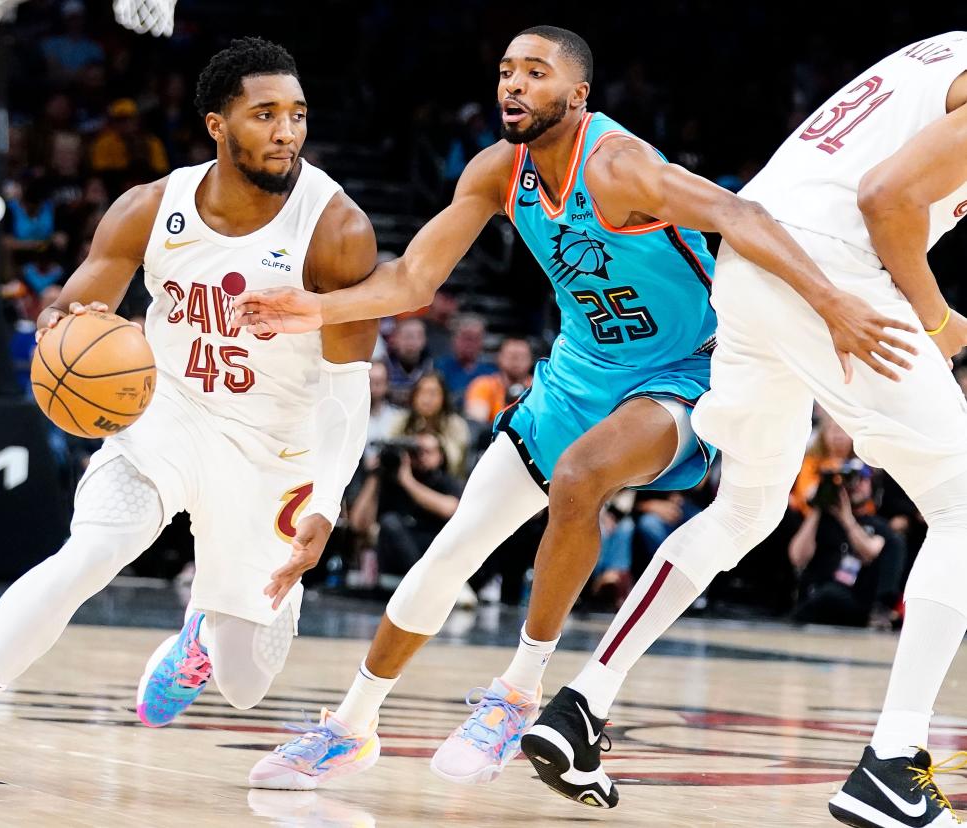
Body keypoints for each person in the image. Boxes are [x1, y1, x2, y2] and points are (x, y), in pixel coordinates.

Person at [233, 25, 905, 794]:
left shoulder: (621, 166)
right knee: (450, 552)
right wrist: (314, 308)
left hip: (685, 371)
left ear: (578, 94)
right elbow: (415, 278)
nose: (513, 86)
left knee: (583, 478)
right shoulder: (497, 172)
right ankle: (350, 726)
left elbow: (744, 216)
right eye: (506, 71)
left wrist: (833, 303)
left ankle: (518, 693)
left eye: (536, 73)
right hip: (579, 372)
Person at [0, 37, 379, 798]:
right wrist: (66, 325)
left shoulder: (336, 228)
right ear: (218, 125)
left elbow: (350, 389)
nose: (287, 131)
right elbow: (70, 303)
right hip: (169, 416)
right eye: (265, 115)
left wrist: (327, 501)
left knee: (246, 682)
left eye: (297, 114)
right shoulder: (151, 208)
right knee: (93, 551)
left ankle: (200, 630)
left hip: (276, 448)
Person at [523, 33, 967, 825]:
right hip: (827, 268)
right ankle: (894, 762)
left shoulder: (943, 51)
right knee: (964, 502)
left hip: (756, 258)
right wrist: (936, 319)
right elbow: (887, 198)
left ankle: (583, 702)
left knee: (746, 508)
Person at [789, 456, 905, 628]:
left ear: (871, 485)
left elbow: (871, 550)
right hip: (815, 599)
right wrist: (818, 507)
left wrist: (847, 519)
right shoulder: (822, 521)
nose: (856, 485)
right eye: (850, 479)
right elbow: (797, 557)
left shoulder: (877, 525)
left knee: (831, 594)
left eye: (862, 480)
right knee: (825, 595)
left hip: (854, 602)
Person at [350, 431, 462, 584]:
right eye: (416, 451)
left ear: (441, 456)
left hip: (430, 549)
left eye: (428, 451)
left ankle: (422, 583)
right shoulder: (392, 481)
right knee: (389, 522)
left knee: (391, 522)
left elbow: (450, 508)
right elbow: (358, 523)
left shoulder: (444, 481)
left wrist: (407, 481)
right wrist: (375, 476)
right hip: (394, 559)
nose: (421, 457)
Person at [391, 372, 470, 476]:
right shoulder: (402, 420)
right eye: (421, 393)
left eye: (433, 393)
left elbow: (455, 461)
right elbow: (391, 447)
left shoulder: (456, 424)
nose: (426, 399)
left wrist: (438, 447)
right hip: (406, 477)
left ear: (443, 397)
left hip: (446, 481)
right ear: (413, 396)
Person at [463, 336, 533, 424]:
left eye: (522, 356)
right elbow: (476, 423)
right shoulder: (483, 385)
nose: (516, 361)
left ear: (531, 360)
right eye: (512, 356)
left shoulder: (540, 388)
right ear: (499, 358)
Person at [433, 313, 493, 401]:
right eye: (466, 338)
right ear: (454, 339)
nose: (470, 344)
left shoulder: (491, 372)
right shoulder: (439, 367)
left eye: (475, 338)